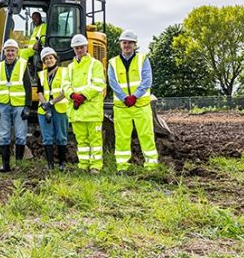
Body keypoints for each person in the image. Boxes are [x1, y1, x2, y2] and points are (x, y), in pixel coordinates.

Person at [107, 29, 159, 171]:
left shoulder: (143, 59)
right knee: (122, 137)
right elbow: (113, 83)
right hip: (122, 107)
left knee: (146, 135)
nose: (127, 45)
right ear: (120, 44)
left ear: (135, 45)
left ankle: (151, 166)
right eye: (124, 42)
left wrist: (135, 96)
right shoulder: (113, 62)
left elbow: (147, 80)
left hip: (141, 105)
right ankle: (122, 166)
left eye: (130, 43)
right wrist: (125, 98)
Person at [63, 34, 106, 173]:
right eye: (77, 48)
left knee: (95, 140)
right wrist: (72, 95)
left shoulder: (96, 64)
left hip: (92, 110)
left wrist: (82, 96)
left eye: (81, 47)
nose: (79, 50)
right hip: (77, 111)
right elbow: (65, 85)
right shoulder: (69, 67)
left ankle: (95, 166)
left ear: (86, 47)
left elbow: (98, 84)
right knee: (81, 141)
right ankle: (83, 164)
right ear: (73, 49)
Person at [0, 39, 31, 172]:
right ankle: (6, 165)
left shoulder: (23, 65)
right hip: (3, 104)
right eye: (8, 50)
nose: (10, 53)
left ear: (16, 52)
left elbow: (28, 86)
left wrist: (27, 106)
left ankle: (18, 165)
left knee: (20, 134)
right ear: (4, 52)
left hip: (19, 104)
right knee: (4, 135)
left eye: (12, 50)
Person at [37, 46, 70, 171]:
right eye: (46, 59)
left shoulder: (64, 72)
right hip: (44, 109)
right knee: (47, 137)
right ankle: (50, 164)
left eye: (51, 58)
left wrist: (51, 102)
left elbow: (65, 91)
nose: (49, 60)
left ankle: (62, 163)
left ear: (55, 59)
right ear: (43, 62)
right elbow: (40, 92)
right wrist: (45, 104)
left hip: (60, 108)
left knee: (61, 136)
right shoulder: (41, 74)